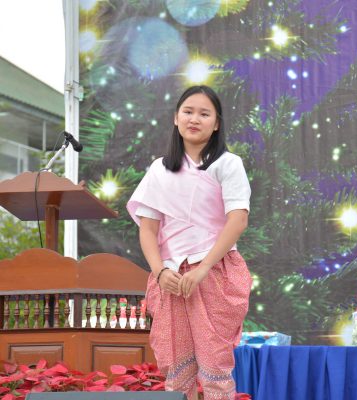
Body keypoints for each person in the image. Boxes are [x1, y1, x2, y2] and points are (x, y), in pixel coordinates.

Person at [127, 85, 252, 400]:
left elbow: (238, 219)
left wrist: (203, 268)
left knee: (214, 368)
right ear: (176, 118)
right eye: (188, 111)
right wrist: (160, 272)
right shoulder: (159, 169)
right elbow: (148, 229)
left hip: (214, 273)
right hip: (170, 278)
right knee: (176, 371)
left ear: (217, 123)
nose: (194, 119)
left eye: (204, 114)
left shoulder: (228, 164)